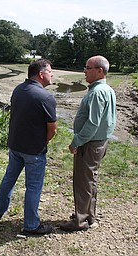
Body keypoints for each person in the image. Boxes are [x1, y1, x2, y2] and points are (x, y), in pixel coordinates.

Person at [0, 59, 57, 236]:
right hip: (33, 151)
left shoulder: (18, 89)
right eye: (50, 71)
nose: (52, 75)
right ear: (41, 74)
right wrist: (43, 142)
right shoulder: (45, 97)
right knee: (33, 187)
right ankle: (31, 225)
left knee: (9, 178)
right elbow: (52, 128)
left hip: (15, 145)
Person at [59, 55, 117, 232]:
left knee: (83, 181)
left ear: (100, 71)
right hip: (98, 143)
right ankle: (88, 215)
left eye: (88, 67)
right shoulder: (106, 89)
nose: (84, 71)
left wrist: (76, 141)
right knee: (90, 179)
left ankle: (80, 221)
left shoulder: (98, 92)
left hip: (90, 143)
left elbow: (92, 123)